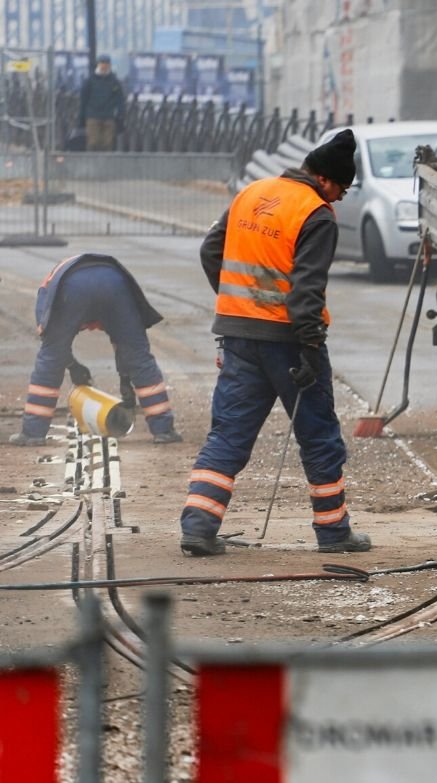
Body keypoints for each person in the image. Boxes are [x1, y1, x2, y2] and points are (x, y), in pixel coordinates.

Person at [179, 129, 370, 557]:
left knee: (228, 433)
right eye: (341, 188)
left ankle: (198, 527)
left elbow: (212, 251)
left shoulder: (251, 192)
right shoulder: (316, 214)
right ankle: (334, 532)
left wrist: (237, 303)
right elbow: (306, 292)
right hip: (289, 343)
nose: (340, 197)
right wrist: (307, 346)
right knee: (319, 436)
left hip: (239, 336)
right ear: (325, 179)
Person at [9, 253, 183, 446]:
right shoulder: (106, 285)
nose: (92, 328)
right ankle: (164, 431)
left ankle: (33, 433)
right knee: (139, 357)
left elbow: (54, 346)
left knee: (50, 358)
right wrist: (126, 385)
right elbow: (128, 350)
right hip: (115, 282)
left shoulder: (48, 293)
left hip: (72, 285)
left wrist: (72, 366)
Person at [77, 54, 125, 152]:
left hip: (109, 117)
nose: (104, 66)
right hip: (93, 117)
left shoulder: (114, 82)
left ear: (110, 65)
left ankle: (106, 166)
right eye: (102, 63)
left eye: (106, 64)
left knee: (107, 145)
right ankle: (92, 164)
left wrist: (120, 115)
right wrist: (81, 117)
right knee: (93, 143)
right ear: (98, 65)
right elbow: (84, 99)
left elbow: (120, 100)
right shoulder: (90, 81)